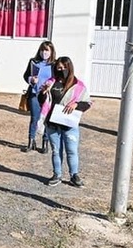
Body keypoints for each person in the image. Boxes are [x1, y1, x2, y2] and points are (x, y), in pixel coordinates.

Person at [38, 56, 92, 187]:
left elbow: (88, 103)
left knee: (72, 150)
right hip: (53, 122)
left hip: (69, 123)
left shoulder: (79, 86)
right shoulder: (51, 83)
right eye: (58, 68)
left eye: (64, 68)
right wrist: (44, 93)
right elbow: (42, 101)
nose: (61, 70)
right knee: (56, 150)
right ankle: (57, 174)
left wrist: (77, 105)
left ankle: (74, 175)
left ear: (69, 68)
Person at [22, 41, 56, 153]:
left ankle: (45, 142)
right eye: (42, 50)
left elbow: (57, 78)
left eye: (46, 50)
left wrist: (50, 83)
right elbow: (26, 75)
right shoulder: (33, 61)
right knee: (34, 117)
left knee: (46, 118)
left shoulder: (54, 64)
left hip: (47, 95)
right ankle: (31, 142)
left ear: (51, 52)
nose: (44, 53)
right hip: (34, 92)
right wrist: (31, 79)